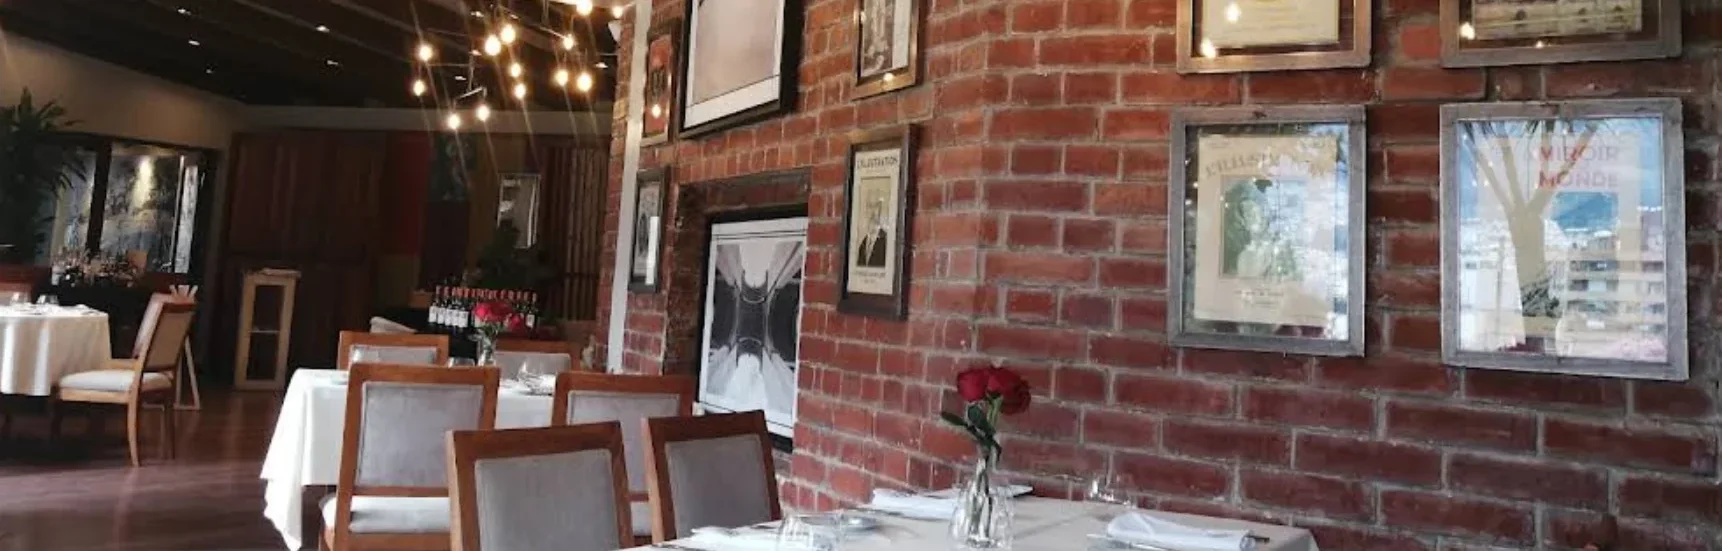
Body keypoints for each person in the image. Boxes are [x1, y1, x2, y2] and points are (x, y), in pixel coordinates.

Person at [856, 198, 889, 268]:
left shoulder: (886, 241)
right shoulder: (863, 242)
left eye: (876, 207)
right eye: (870, 207)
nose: (872, 212)